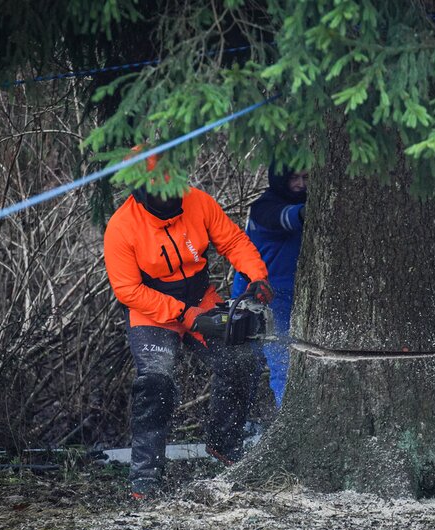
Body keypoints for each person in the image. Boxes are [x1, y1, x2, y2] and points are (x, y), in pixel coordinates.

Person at [103, 146, 274, 500]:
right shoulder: (121, 227)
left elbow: (233, 240)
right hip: (151, 313)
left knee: (243, 358)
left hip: (201, 297)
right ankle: (145, 476)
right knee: (155, 382)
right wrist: (184, 315)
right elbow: (128, 290)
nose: (173, 195)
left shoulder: (199, 201)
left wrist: (257, 276)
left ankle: (225, 442)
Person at [232, 163, 307, 408]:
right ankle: (284, 418)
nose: (300, 184)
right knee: (280, 365)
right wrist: (306, 212)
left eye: (306, 177)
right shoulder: (264, 208)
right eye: (294, 178)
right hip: (264, 299)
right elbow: (285, 218)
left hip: (294, 296)